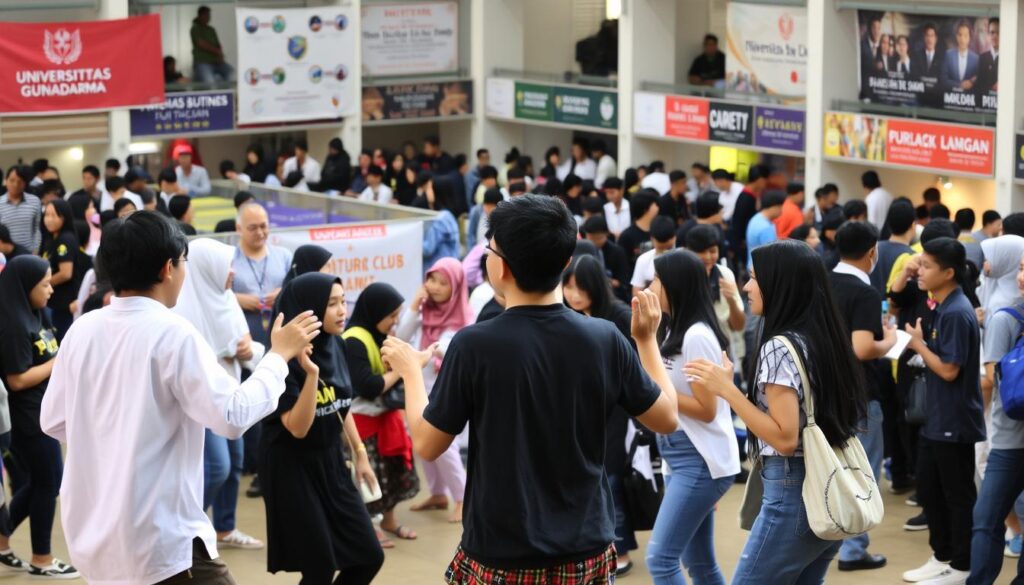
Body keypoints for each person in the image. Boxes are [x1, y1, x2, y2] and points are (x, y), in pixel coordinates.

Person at [380, 194, 678, 581]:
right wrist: (646, 340)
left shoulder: (474, 345)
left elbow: (427, 443)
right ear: (566, 261)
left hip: (502, 551)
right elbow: (667, 417)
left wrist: (410, 372)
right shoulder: (604, 338)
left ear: (500, 266)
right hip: (586, 547)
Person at [40, 212, 318, 585]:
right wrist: (277, 357)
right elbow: (232, 416)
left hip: (94, 535)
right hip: (161, 541)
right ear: (168, 267)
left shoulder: (82, 330)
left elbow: (54, 421)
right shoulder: (172, 333)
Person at [684, 239, 868, 584]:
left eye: (754, 278)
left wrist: (727, 391)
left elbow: (784, 437)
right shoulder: (823, 337)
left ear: (779, 285)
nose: (746, 287)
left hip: (794, 490)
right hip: (825, 489)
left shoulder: (778, 348)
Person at [260, 273, 384, 585]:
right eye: (332, 304)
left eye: (343, 301)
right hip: (291, 467)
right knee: (319, 567)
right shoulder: (280, 359)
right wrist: (311, 375)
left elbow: (342, 406)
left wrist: (359, 453)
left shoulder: (338, 346)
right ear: (309, 309)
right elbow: (298, 428)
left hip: (330, 460)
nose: (343, 310)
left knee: (369, 556)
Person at [642, 249, 739, 584]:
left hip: (698, 459)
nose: (651, 286)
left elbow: (708, 409)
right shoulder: (673, 330)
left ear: (675, 285)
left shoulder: (697, 335)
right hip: (681, 455)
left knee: (661, 559)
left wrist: (661, 393)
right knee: (697, 562)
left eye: (657, 279)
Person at [171, 239, 265, 552]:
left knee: (235, 462)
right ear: (208, 267)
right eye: (227, 266)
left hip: (232, 393)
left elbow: (249, 345)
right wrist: (220, 352)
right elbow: (184, 359)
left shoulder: (226, 300)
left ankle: (224, 527)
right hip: (202, 399)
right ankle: (187, 527)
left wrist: (247, 350)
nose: (232, 273)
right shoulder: (182, 308)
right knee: (217, 466)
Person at [901, 237, 985, 585]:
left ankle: (962, 565)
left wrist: (919, 344)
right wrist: (923, 343)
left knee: (957, 495)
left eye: (927, 266)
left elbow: (950, 369)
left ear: (948, 272)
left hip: (954, 419)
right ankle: (943, 555)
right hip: (937, 417)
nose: (919, 270)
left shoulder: (956, 311)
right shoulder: (943, 306)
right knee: (932, 489)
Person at [0, 256, 78, 579]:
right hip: (27, 418)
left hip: (43, 410)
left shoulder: (35, 314)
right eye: (44, 284)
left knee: (39, 482)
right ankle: (42, 559)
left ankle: (2, 542)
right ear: (24, 286)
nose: (50, 289)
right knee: (50, 482)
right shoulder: (12, 323)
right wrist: (60, 361)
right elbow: (16, 379)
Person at [560, 255, 638, 575]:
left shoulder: (619, 316)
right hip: (590, 409)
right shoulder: (574, 316)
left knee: (611, 478)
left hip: (618, 410)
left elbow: (633, 369)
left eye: (581, 287)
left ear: (596, 286)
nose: (574, 295)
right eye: (568, 287)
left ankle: (620, 550)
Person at [829, 221, 897, 572]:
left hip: (824, 392)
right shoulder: (865, 293)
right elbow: (863, 347)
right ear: (872, 252)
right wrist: (889, 339)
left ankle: (828, 544)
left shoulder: (823, 281)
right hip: (859, 394)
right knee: (862, 472)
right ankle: (853, 550)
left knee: (829, 470)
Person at [344, 283, 423, 547]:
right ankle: (370, 526)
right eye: (391, 315)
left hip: (386, 419)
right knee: (369, 477)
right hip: (363, 421)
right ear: (375, 312)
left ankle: (388, 520)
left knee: (392, 471)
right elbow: (368, 387)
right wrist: (403, 370)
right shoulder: (354, 339)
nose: (395, 321)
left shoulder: (379, 337)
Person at [395, 258, 471, 523]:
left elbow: (454, 350)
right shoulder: (424, 312)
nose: (435, 287)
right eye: (432, 280)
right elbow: (401, 336)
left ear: (457, 286)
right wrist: (415, 305)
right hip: (420, 390)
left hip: (447, 393)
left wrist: (432, 351)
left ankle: (462, 498)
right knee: (421, 442)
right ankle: (438, 494)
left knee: (445, 448)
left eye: (443, 283)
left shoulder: (464, 318)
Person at [970, 250, 1024, 584]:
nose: (1021, 276)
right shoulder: (1005, 318)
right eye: (1021, 267)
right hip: (1008, 438)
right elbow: (993, 377)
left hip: (1008, 438)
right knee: (986, 519)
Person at [685, 224, 746, 368]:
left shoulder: (725, 275)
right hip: (688, 353)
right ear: (689, 252)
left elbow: (738, 325)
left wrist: (731, 299)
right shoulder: (681, 277)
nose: (707, 257)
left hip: (721, 353)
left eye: (712, 251)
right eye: (701, 252)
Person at [40, 199, 81, 340]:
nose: (49, 220)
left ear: (64, 217)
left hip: (63, 302)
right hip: (51, 301)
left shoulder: (66, 239)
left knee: (62, 340)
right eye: (46, 215)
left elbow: (66, 273)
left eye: (54, 215)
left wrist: (42, 285)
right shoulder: (49, 239)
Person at [581, 216, 631, 302]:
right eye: (591, 238)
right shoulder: (582, 249)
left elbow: (624, 280)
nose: (594, 242)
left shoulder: (617, 252)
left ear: (607, 234)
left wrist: (611, 282)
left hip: (613, 294)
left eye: (598, 238)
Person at [630, 216, 676, 297]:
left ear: (674, 238)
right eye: (661, 248)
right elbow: (637, 292)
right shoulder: (643, 260)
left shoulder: (684, 258)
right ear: (652, 239)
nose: (665, 251)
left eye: (668, 248)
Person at [0, 166, 41, 254]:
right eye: (12, 180)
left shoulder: (34, 201)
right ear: (5, 180)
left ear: (25, 183)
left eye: (20, 181)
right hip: (5, 254)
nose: (15, 184)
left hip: (29, 253)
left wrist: (35, 251)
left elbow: (37, 229)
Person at [422, 177, 460, 270]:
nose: (427, 191)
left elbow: (427, 249)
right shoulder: (448, 215)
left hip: (439, 271)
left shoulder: (441, 219)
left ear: (437, 191)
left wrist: (410, 240)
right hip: (448, 269)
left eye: (430, 188)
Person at [191, 5, 234, 83]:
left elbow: (218, 44)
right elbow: (201, 43)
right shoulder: (195, 28)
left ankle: (227, 94)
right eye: (206, 15)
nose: (208, 17)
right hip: (202, 63)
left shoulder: (211, 29)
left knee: (231, 72)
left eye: (209, 15)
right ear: (200, 15)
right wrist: (216, 51)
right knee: (210, 81)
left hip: (216, 62)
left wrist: (220, 55)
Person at [618, 190, 660, 268]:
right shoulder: (627, 236)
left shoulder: (659, 230)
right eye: (655, 205)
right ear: (645, 209)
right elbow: (623, 264)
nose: (658, 207)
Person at [746, 190, 785, 268]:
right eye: (781, 207)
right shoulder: (766, 228)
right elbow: (771, 254)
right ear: (774, 207)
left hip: (752, 265)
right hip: (761, 270)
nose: (781, 211)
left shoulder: (756, 218)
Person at [941, 20, 979, 92]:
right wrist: (959, 85)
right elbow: (944, 79)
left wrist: (971, 82)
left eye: (965, 35)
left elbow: (979, 78)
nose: (962, 39)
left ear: (970, 37)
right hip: (951, 97)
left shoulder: (975, 59)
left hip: (969, 99)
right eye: (960, 35)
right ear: (956, 36)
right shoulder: (949, 55)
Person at [977, 18, 999, 95]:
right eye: (992, 32)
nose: (995, 36)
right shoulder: (982, 58)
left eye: (998, 32)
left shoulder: (1009, 59)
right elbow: (979, 86)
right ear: (988, 34)